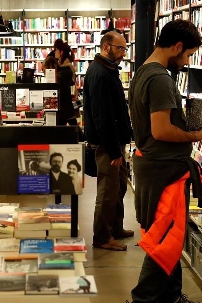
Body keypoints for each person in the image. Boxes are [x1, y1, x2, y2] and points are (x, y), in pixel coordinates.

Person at [125, 20, 202, 303]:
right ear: (176, 47)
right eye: (187, 55)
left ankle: (170, 297)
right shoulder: (160, 79)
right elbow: (161, 130)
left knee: (172, 238)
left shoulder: (143, 71)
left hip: (159, 167)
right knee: (164, 239)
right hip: (163, 170)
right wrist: (196, 135)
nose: (187, 61)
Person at [83, 31, 133, 252]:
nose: (123, 53)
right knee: (108, 191)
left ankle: (115, 227)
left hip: (116, 143)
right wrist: (113, 151)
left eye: (125, 48)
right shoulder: (101, 73)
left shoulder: (108, 70)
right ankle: (102, 236)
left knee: (120, 186)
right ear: (106, 47)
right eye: (120, 48)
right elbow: (103, 116)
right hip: (107, 145)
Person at [55, 42, 79, 126]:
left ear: (61, 52)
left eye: (56, 50)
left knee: (69, 125)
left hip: (66, 102)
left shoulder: (66, 68)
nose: (55, 52)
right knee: (72, 125)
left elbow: (69, 84)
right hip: (67, 102)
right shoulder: (65, 65)